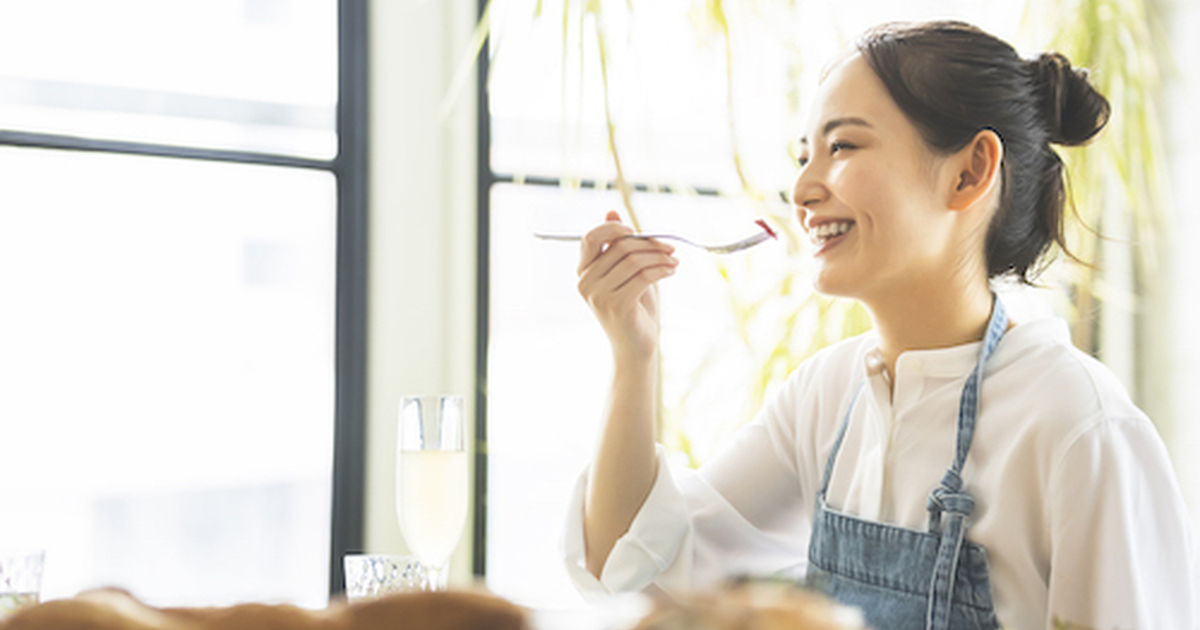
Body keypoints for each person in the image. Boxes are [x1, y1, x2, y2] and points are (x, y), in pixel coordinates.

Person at [560, 20, 1197, 630]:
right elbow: (634, 567)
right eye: (804, 154)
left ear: (970, 172)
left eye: (842, 146)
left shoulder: (1077, 425)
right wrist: (634, 354)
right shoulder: (827, 395)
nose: (803, 187)